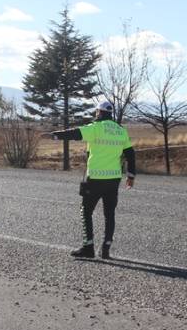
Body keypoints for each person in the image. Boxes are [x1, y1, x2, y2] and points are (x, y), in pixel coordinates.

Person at [48, 100, 136, 259]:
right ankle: (106, 249)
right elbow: (130, 153)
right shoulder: (121, 130)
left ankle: (88, 247)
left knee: (86, 211)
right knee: (109, 214)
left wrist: (55, 135)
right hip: (114, 179)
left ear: (99, 112)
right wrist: (131, 175)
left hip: (95, 178)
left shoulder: (95, 128)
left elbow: (75, 133)